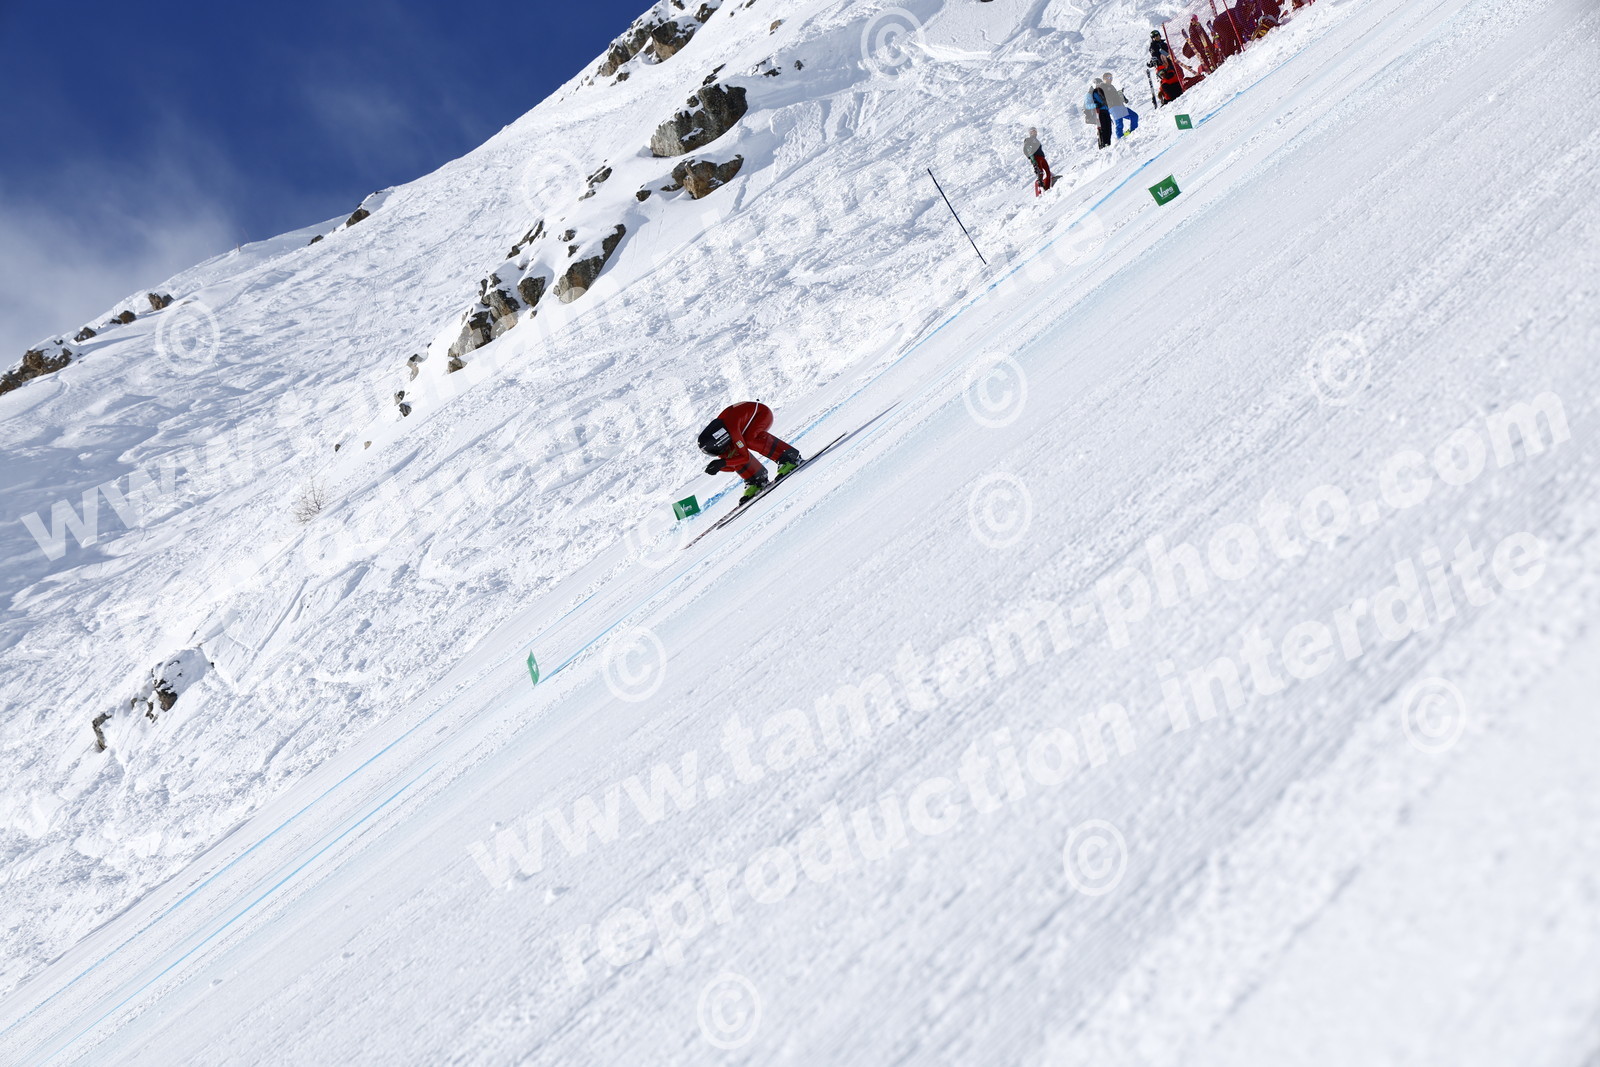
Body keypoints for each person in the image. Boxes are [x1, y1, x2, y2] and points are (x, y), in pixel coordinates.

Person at [699, 401, 802, 500]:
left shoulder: (731, 429)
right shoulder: (722, 434)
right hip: (744, 424)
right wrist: (719, 466)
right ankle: (757, 479)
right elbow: (732, 466)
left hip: (762, 414)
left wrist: (722, 463)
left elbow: (745, 457)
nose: (721, 454)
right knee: (730, 453)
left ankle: (789, 457)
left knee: (749, 439)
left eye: (720, 450)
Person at [1102, 73, 1139, 138]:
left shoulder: (1112, 86)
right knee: (1119, 124)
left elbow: (1116, 95)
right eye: (1109, 78)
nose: (1111, 79)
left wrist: (1122, 96)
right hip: (1113, 107)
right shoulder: (1102, 87)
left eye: (1111, 78)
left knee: (1134, 116)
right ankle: (1120, 138)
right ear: (1104, 79)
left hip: (1120, 106)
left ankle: (1131, 132)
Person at [1023, 127, 1054, 192]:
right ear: (1030, 133)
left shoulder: (1037, 140)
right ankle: (1041, 189)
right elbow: (1026, 149)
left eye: (1035, 131)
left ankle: (1047, 188)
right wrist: (1031, 158)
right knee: (1040, 172)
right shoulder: (1028, 139)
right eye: (1033, 131)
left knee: (1048, 172)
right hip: (1036, 157)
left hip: (1042, 157)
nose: (1035, 132)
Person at [1083, 79, 1112, 150]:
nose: (1099, 85)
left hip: (1105, 111)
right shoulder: (1089, 94)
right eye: (1098, 84)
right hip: (1098, 113)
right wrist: (1096, 105)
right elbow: (1087, 105)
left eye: (1100, 83)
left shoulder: (1101, 92)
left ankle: (1108, 145)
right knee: (1102, 129)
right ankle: (1103, 145)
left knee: (1108, 129)